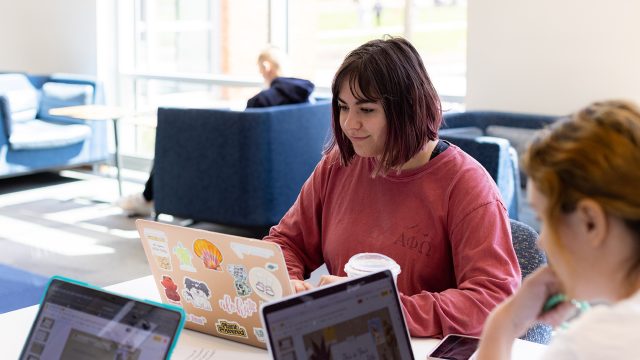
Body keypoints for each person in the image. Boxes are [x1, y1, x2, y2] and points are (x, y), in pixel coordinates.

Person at [263, 37, 521, 337]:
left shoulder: (467, 187)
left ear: (407, 108)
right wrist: (285, 279)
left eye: (366, 110)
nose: (349, 124)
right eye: (343, 108)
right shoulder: (339, 164)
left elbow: (493, 300)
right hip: (349, 341)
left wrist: (382, 307)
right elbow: (286, 243)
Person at [476, 100, 640, 359]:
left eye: (544, 220)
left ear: (591, 222)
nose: (541, 242)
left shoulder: (597, 341)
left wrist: (503, 325)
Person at [116, 46, 315, 216]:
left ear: (266, 67)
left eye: (259, 69)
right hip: (283, 171)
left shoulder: (262, 100)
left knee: (171, 146)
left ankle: (146, 198)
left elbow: (242, 140)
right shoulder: (307, 99)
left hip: (238, 169)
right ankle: (146, 197)